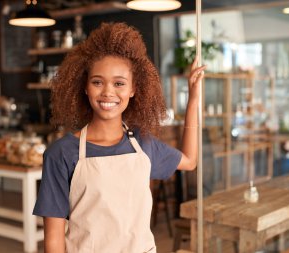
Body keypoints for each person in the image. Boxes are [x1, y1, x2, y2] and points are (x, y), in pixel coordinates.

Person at [33, 22, 206, 253]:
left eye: (119, 83)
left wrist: (193, 100)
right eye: (97, 82)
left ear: (134, 89)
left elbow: (190, 160)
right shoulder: (61, 154)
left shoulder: (143, 145)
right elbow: (53, 241)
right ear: (84, 87)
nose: (108, 92)